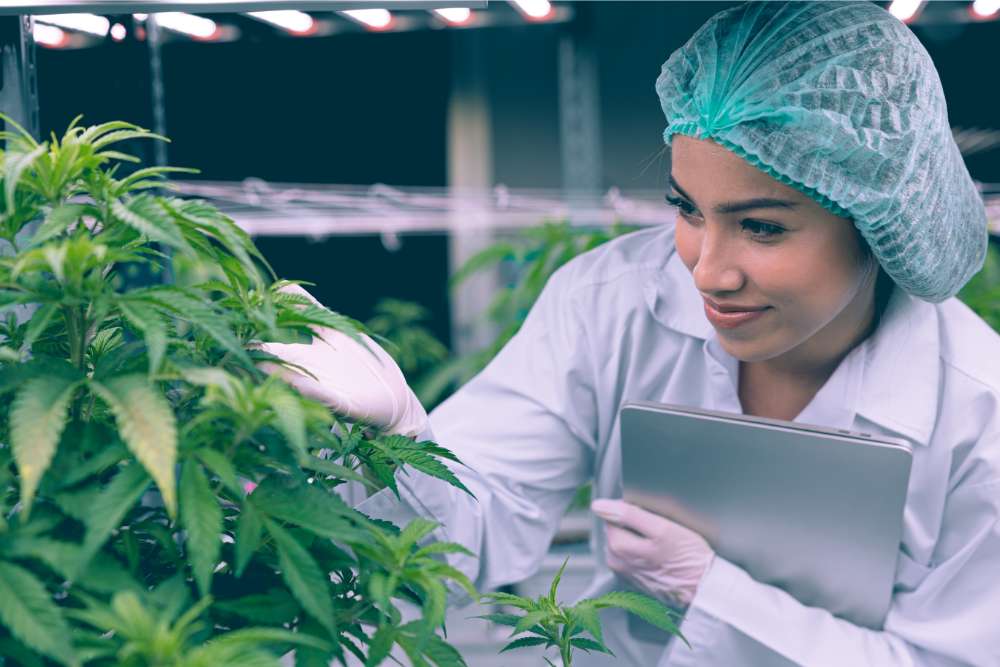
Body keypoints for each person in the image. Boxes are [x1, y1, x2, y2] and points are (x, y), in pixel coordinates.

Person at [261, 2, 1000, 665]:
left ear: (881, 223)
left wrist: (715, 592)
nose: (708, 271)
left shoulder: (978, 414)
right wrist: (394, 440)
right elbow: (473, 529)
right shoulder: (612, 301)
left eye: (762, 227)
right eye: (688, 210)